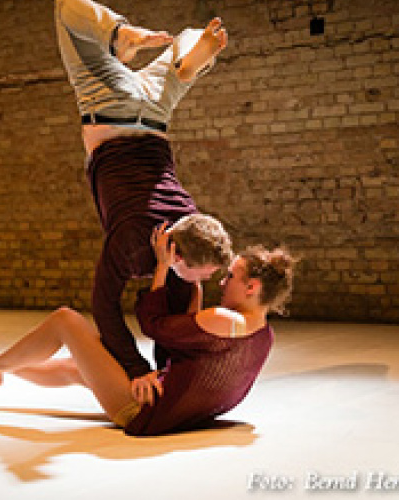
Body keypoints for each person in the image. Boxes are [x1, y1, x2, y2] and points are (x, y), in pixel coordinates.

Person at [0, 226, 296, 436]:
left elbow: (155, 326)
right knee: (79, 369)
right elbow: (191, 350)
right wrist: (193, 287)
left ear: (251, 287)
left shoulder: (226, 319)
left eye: (231, 277)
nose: (222, 281)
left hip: (145, 414)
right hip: (178, 414)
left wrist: (162, 266)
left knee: (66, 320)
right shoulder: (263, 334)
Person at [55, 0, 232, 392]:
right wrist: (137, 369)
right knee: (63, 8)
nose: (204, 282)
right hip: (108, 109)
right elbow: (104, 308)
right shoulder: (135, 241)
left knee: (184, 37)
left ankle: (185, 62)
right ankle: (126, 38)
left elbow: (170, 331)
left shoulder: (192, 223)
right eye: (201, 275)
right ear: (179, 257)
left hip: (156, 111)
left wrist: (164, 372)